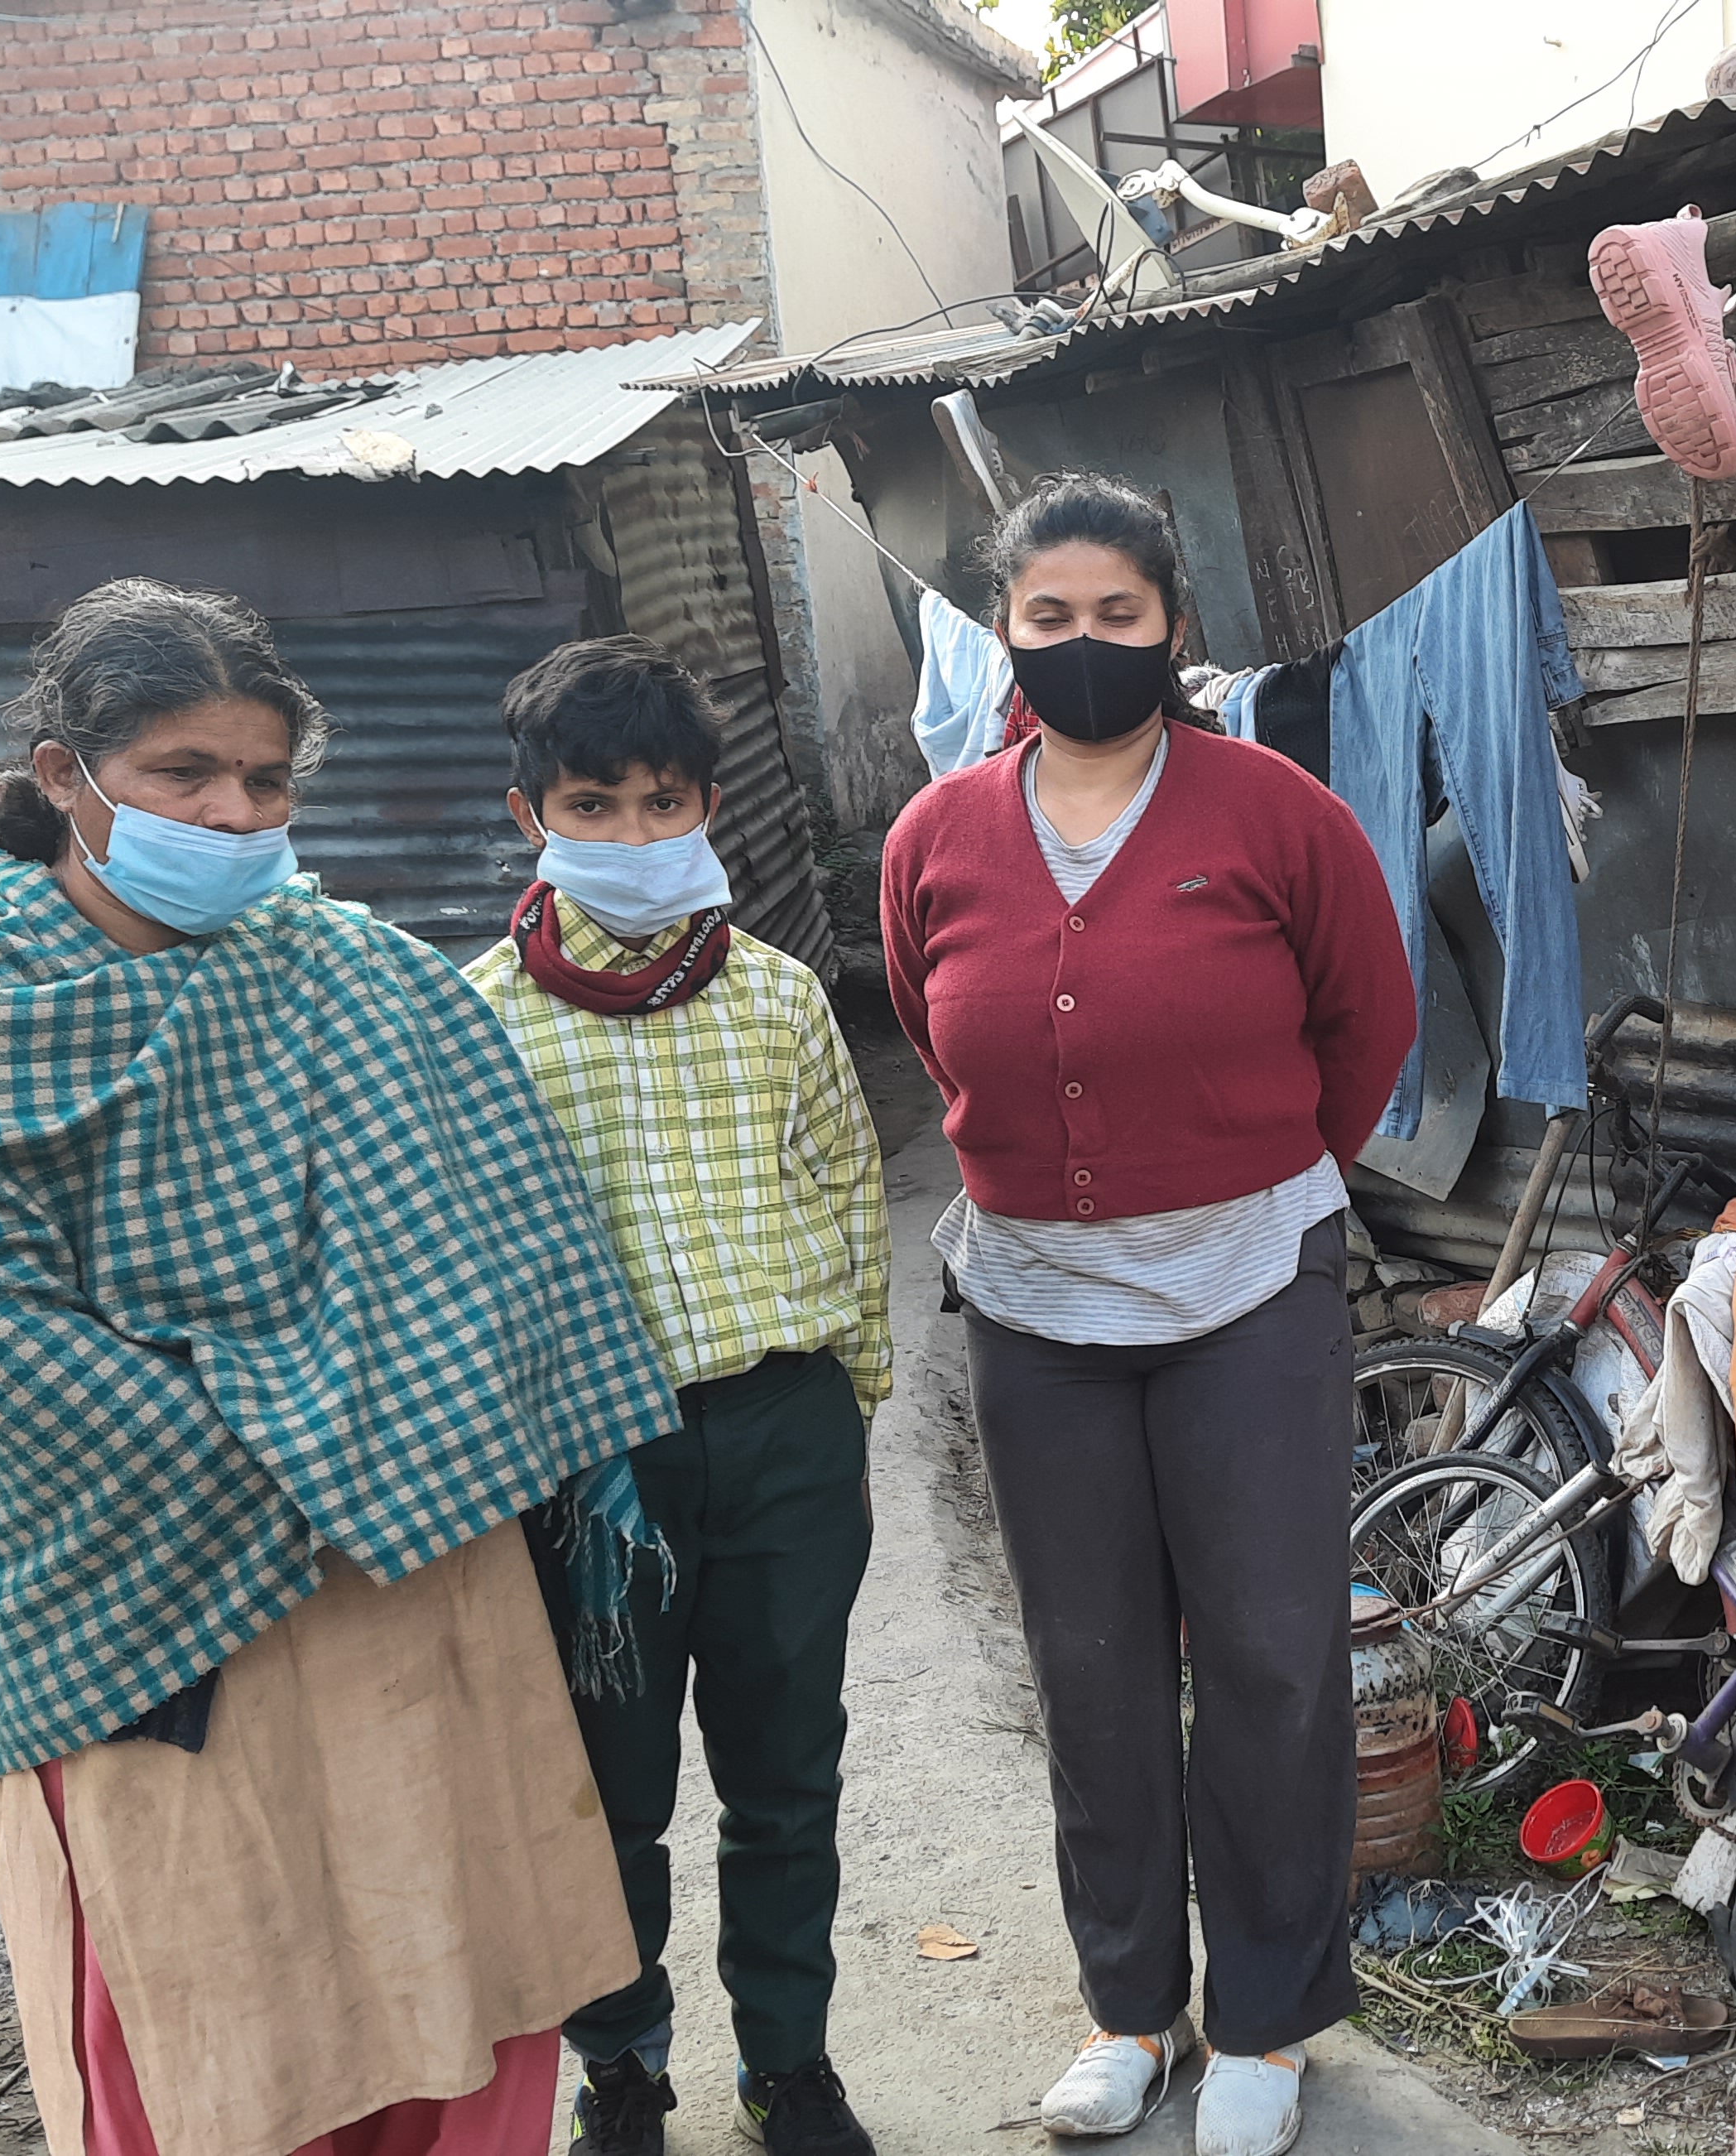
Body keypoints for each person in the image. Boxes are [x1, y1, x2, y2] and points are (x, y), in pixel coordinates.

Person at [0, 579, 678, 2156]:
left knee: (452, 1956)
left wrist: (407, 1424)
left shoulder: (355, 973)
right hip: (141, 1592)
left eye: (266, 779)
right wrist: (298, 1440)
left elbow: (504, 1235)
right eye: (183, 774)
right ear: (67, 774)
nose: (234, 812)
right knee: (214, 1996)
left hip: (413, 1568)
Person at [881, 475, 1418, 2156]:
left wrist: (1251, 1179)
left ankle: (1264, 2023)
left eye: (1118, 616)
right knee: (1092, 1671)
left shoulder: (1271, 813)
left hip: (1248, 1278)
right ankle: (1128, 2011)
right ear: (1006, 636)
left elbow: (1369, 1020)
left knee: (1266, 1658)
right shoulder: (937, 834)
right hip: (1036, 1298)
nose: (1085, 644)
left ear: (1173, 627)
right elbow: (926, 1017)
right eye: (1051, 620)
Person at [459, 638, 893, 2156]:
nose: (634, 838)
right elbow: (458, 1251)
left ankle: (790, 2062)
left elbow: (846, 1190)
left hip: (780, 1430)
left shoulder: (775, 1000)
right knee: (608, 1795)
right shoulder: (477, 1025)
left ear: (704, 805)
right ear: (533, 817)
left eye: (661, 804)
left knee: (786, 1777)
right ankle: (621, 2068)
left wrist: (849, 1399)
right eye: (594, 806)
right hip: (592, 1468)